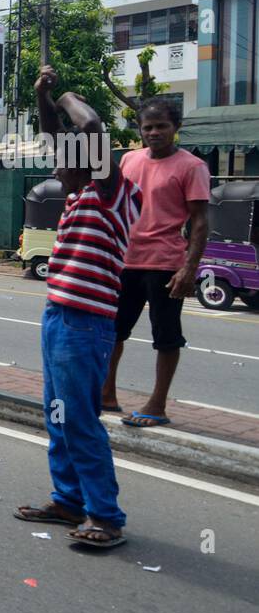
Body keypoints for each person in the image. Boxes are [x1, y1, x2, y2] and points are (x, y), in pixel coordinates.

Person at [15, 66, 142, 549]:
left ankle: (105, 516)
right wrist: (42, 94)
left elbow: (89, 129)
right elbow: (57, 135)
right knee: (59, 414)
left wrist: (66, 91)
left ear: (88, 163)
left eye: (66, 162)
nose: (57, 166)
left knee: (81, 419)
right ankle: (68, 499)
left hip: (86, 323)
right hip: (59, 316)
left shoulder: (112, 194)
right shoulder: (77, 195)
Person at [101, 98, 210, 427]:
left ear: (175, 127)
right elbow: (116, 207)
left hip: (165, 263)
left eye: (161, 126)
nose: (154, 132)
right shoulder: (129, 161)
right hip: (126, 261)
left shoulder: (191, 166)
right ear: (139, 129)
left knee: (166, 336)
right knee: (112, 332)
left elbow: (200, 222)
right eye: (147, 127)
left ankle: (157, 405)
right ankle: (107, 394)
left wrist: (189, 269)